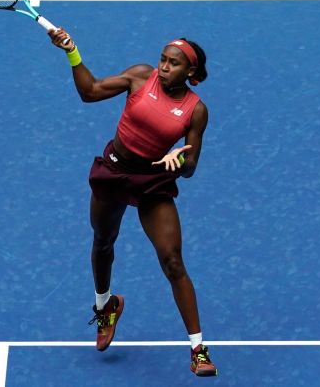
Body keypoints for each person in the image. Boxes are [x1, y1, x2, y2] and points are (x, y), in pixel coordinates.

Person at [48, 28, 217, 377]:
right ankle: (105, 306)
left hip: (153, 181)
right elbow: (90, 92)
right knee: (103, 241)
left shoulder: (195, 111)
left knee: (172, 260)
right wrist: (72, 52)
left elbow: (191, 167)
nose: (165, 67)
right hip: (115, 170)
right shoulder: (141, 77)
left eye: (175, 64)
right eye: (164, 60)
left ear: (191, 74)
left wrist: (179, 160)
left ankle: (198, 349)